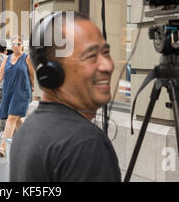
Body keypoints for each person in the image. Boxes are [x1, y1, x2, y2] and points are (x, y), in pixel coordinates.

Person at [9, 11, 121, 181]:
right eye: (91, 56)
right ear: (52, 73)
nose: (107, 65)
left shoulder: (27, 130)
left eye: (105, 52)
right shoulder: (86, 144)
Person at [0, 35, 35, 157]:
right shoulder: (6, 59)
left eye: (18, 44)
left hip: (22, 92)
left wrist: (33, 90)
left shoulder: (27, 58)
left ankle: (3, 147)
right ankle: (30, 140)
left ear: (22, 45)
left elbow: (32, 75)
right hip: (9, 92)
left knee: (11, 118)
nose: (15, 46)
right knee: (17, 120)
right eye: (13, 44)